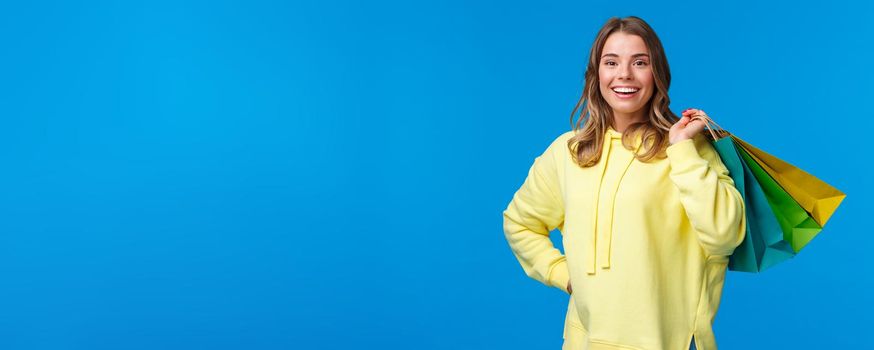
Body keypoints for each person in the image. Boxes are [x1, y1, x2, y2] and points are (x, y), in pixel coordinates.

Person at [502, 16, 745, 350]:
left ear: (656, 73)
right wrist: (562, 275)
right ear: (596, 73)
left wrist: (683, 149)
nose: (624, 75)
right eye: (611, 62)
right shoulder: (569, 152)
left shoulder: (689, 149)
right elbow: (520, 222)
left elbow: (725, 236)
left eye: (640, 62)